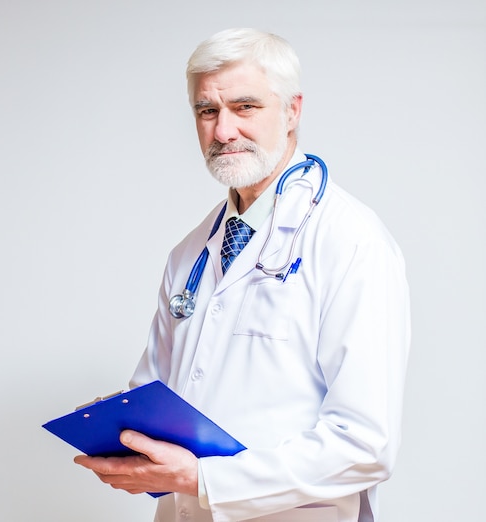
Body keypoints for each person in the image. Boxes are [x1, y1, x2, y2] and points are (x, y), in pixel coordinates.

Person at [75, 28, 410, 522]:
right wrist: (126, 435)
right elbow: (157, 394)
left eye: (245, 107)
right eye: (207, 111)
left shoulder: (351, 240)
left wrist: (205, 480)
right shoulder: (189, 253)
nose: (223, 130)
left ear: (293, 110)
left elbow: (365, 445)